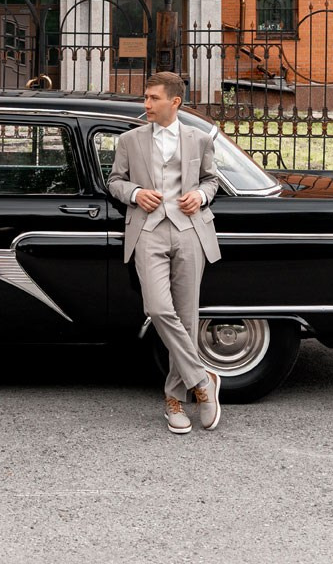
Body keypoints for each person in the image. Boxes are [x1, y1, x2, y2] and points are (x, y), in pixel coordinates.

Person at [106, 69, 223, 432]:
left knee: (187, 319)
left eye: (153, 98)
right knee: (157, 308)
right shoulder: (131, 140)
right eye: (146, 97)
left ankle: (175, 398)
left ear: (175, 101)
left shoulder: (199, 139)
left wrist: (201, 195)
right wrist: (136, 193)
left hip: (190, 231)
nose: (146, 104)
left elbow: (212, 180)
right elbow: (114, 181)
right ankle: (203, 381)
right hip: (148, 231)